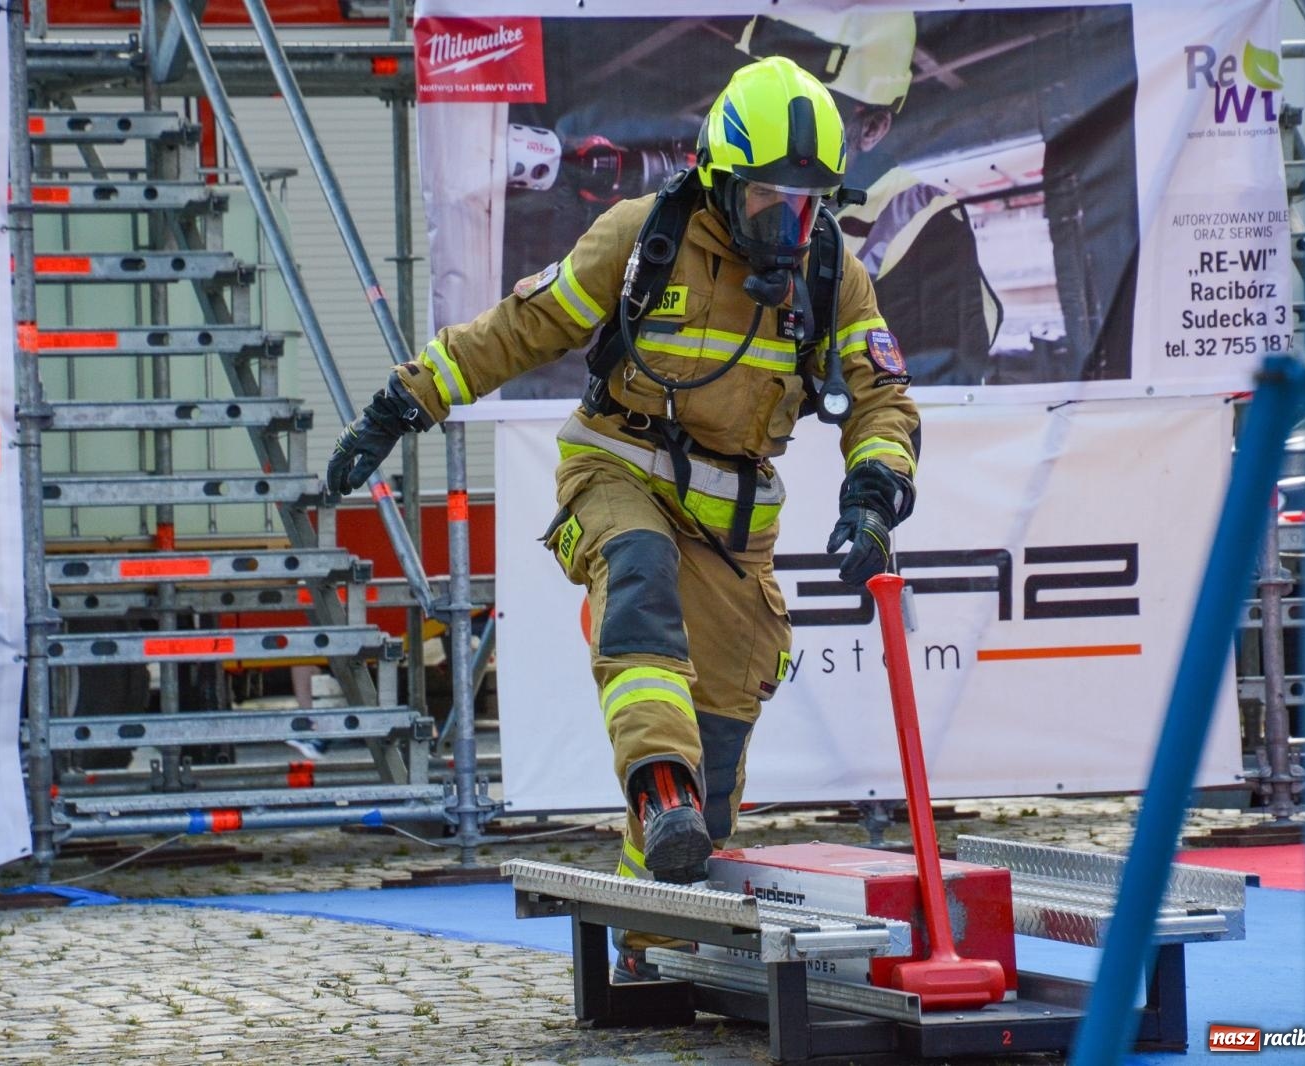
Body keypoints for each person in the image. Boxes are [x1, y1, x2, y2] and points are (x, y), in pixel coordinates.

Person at [325, 56, 921, 976]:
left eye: (807, 204)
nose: (789, 224)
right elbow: (521, 329)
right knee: (637, 577)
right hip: (616, 471)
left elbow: (884, 396)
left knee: (717, 759)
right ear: (722, 181)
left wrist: (873, 493)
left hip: (733, 533)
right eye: (770, 199)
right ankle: (659, 790)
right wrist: (405, 403)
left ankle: (658, 944)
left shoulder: (831, 272)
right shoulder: (642, 238)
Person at [739, 11, 1003, 385]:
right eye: (764, 103)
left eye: (807, 112)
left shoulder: (924, 221)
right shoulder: (739, 193)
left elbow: (928, 384)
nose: (774, 126)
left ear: (872, 129)